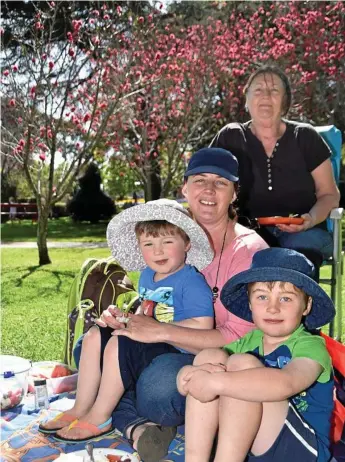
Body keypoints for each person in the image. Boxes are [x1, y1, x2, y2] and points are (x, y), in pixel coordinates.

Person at [72, 148, 269, 461]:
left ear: (234, 193)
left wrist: (160, 332)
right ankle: (128, 418)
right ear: (185, 188)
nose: (208, 190)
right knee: (87, 345)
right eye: (200, 180)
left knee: (156, 392)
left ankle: (126, 417)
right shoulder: (170, 232)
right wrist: (127, 320)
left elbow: (240, 339)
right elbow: (156, 301)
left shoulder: (248, 252)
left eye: (220, 183)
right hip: (160, 345)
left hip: (208, 356)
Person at [39, 199, 214, 447]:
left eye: (167, 242)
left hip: (177, 350)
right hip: (151, 343)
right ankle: (81, 407)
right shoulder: (147, 275)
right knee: (94, 336)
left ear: (186, 243)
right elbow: (146, 310)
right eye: (149, 244)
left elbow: (203, 326)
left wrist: (156, 331)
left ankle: (101, 416)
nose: (158, 251)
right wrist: (127, 320)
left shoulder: (191, 282)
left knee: (118, 344)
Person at [178, 247, 335, 462]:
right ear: (250, 303)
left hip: (303, 451)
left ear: (306, 305)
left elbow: (286, 384)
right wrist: (187, 377)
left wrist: (216, 382)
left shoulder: (311, 346)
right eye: (262, 297)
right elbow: (208, 368)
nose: (272, 308)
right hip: (255, 443)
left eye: (286, 299)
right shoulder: (249, 341)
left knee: (242, 366)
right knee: (209, 358)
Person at [211, 65, 340, 280]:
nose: (266, 96)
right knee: (247, 251)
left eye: (274, 91)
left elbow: (329, 194)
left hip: (305, 231)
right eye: (258, 90)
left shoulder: (305, 137)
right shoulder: (230, 137)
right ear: (247, 100)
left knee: (297, 253)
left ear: (285, 101)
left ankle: (300, 311)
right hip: (245, 231)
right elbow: (207, 183)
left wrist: (310, 219)